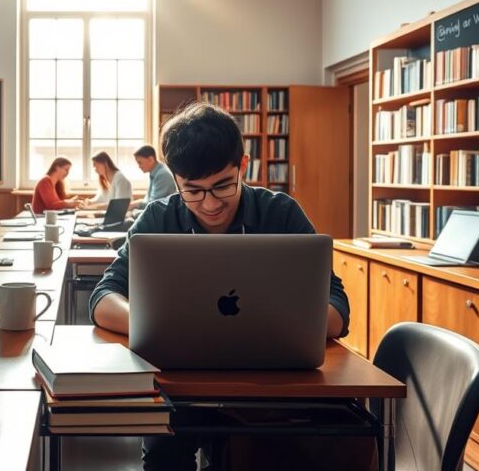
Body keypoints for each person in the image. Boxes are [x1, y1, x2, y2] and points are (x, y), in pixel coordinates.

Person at [89, 103, 350, 471]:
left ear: (243, 166)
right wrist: (150, 324)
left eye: (223, 186)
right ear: (175, 179)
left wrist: (290, 328)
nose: (209, 204)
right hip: (178, 385)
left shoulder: (280, 213)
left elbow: (337, 305)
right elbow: (103, 297)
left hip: (270, 389)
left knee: (278, 455)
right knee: (164, 457)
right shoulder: (159, 218)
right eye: (192, 191)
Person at [132, 145, 177, 210]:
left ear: (150, 159)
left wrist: (135, 205)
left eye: (140, 162)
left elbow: (153, 205)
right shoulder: (156, 172)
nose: (139, 166)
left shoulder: (162, 175)